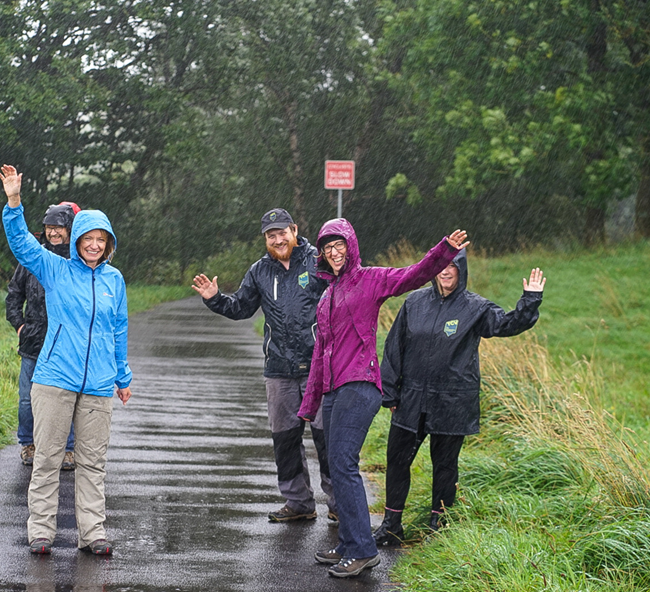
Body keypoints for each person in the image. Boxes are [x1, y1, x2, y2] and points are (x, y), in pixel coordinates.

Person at [298, 218, 468, 579]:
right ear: (323, 256)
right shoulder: (327, 295)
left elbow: (414, 275)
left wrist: (445, 251)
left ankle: (362, 550)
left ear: (351, 245)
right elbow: (320, 354)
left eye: (339, 245)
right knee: (335, 465)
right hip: (332, 389)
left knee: (343, 464)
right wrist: (309, 404)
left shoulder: (370, 279)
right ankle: (348, 541)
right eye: (327, 248)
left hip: (359, 385)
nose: (334, 253)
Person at [0, 164, 132, 557]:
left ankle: (93, 534)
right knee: (49, 458)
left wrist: (122, 376)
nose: (93, 245)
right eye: (87, 238)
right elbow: (21, 242)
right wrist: (13, 201)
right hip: (55, 378)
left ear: (109, 244)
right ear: (75, 240)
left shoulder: (114, 280)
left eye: (100, 240)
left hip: (98, 385)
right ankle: (41, 530)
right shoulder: (54, 269)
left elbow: (118, 330)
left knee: (93, 463)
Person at [373, 250, 545, 546]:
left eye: (453, 266)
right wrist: (390, 393)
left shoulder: (475, 308)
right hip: (411, 400)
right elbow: (393, 348)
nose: (446, 272)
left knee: (444, 465)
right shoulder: (414, 303)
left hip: (451, 402)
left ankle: (438, 527)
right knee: (397, 460)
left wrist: (530, 300)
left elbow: (507, 324)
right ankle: (391, 525)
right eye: (441, 265)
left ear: (462, 270)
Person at [191, 208, 336, 523]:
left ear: (294, 230)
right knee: (285, 439)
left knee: (328, 438)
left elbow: (342, 300)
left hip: (319, 367)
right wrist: (215, 298)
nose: (278, 239)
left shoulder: (317, 262)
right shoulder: (260, 271)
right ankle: (298, 502)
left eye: (282, 232)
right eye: (271, 235)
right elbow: (241, 307)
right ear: (266, 239)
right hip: (279, 370)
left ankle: (338, 502)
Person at [6, 202, 81, 470]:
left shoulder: (78, 261)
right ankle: (28, 443)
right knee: (27, 399)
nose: (53, 233)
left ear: (70, 229)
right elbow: (14, 294)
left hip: (66, 343)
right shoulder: (32, 258)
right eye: (49, 228)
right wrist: (20, 326)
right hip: (34, 340)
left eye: (59, 228)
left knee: (66, 397)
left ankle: (68, 449)